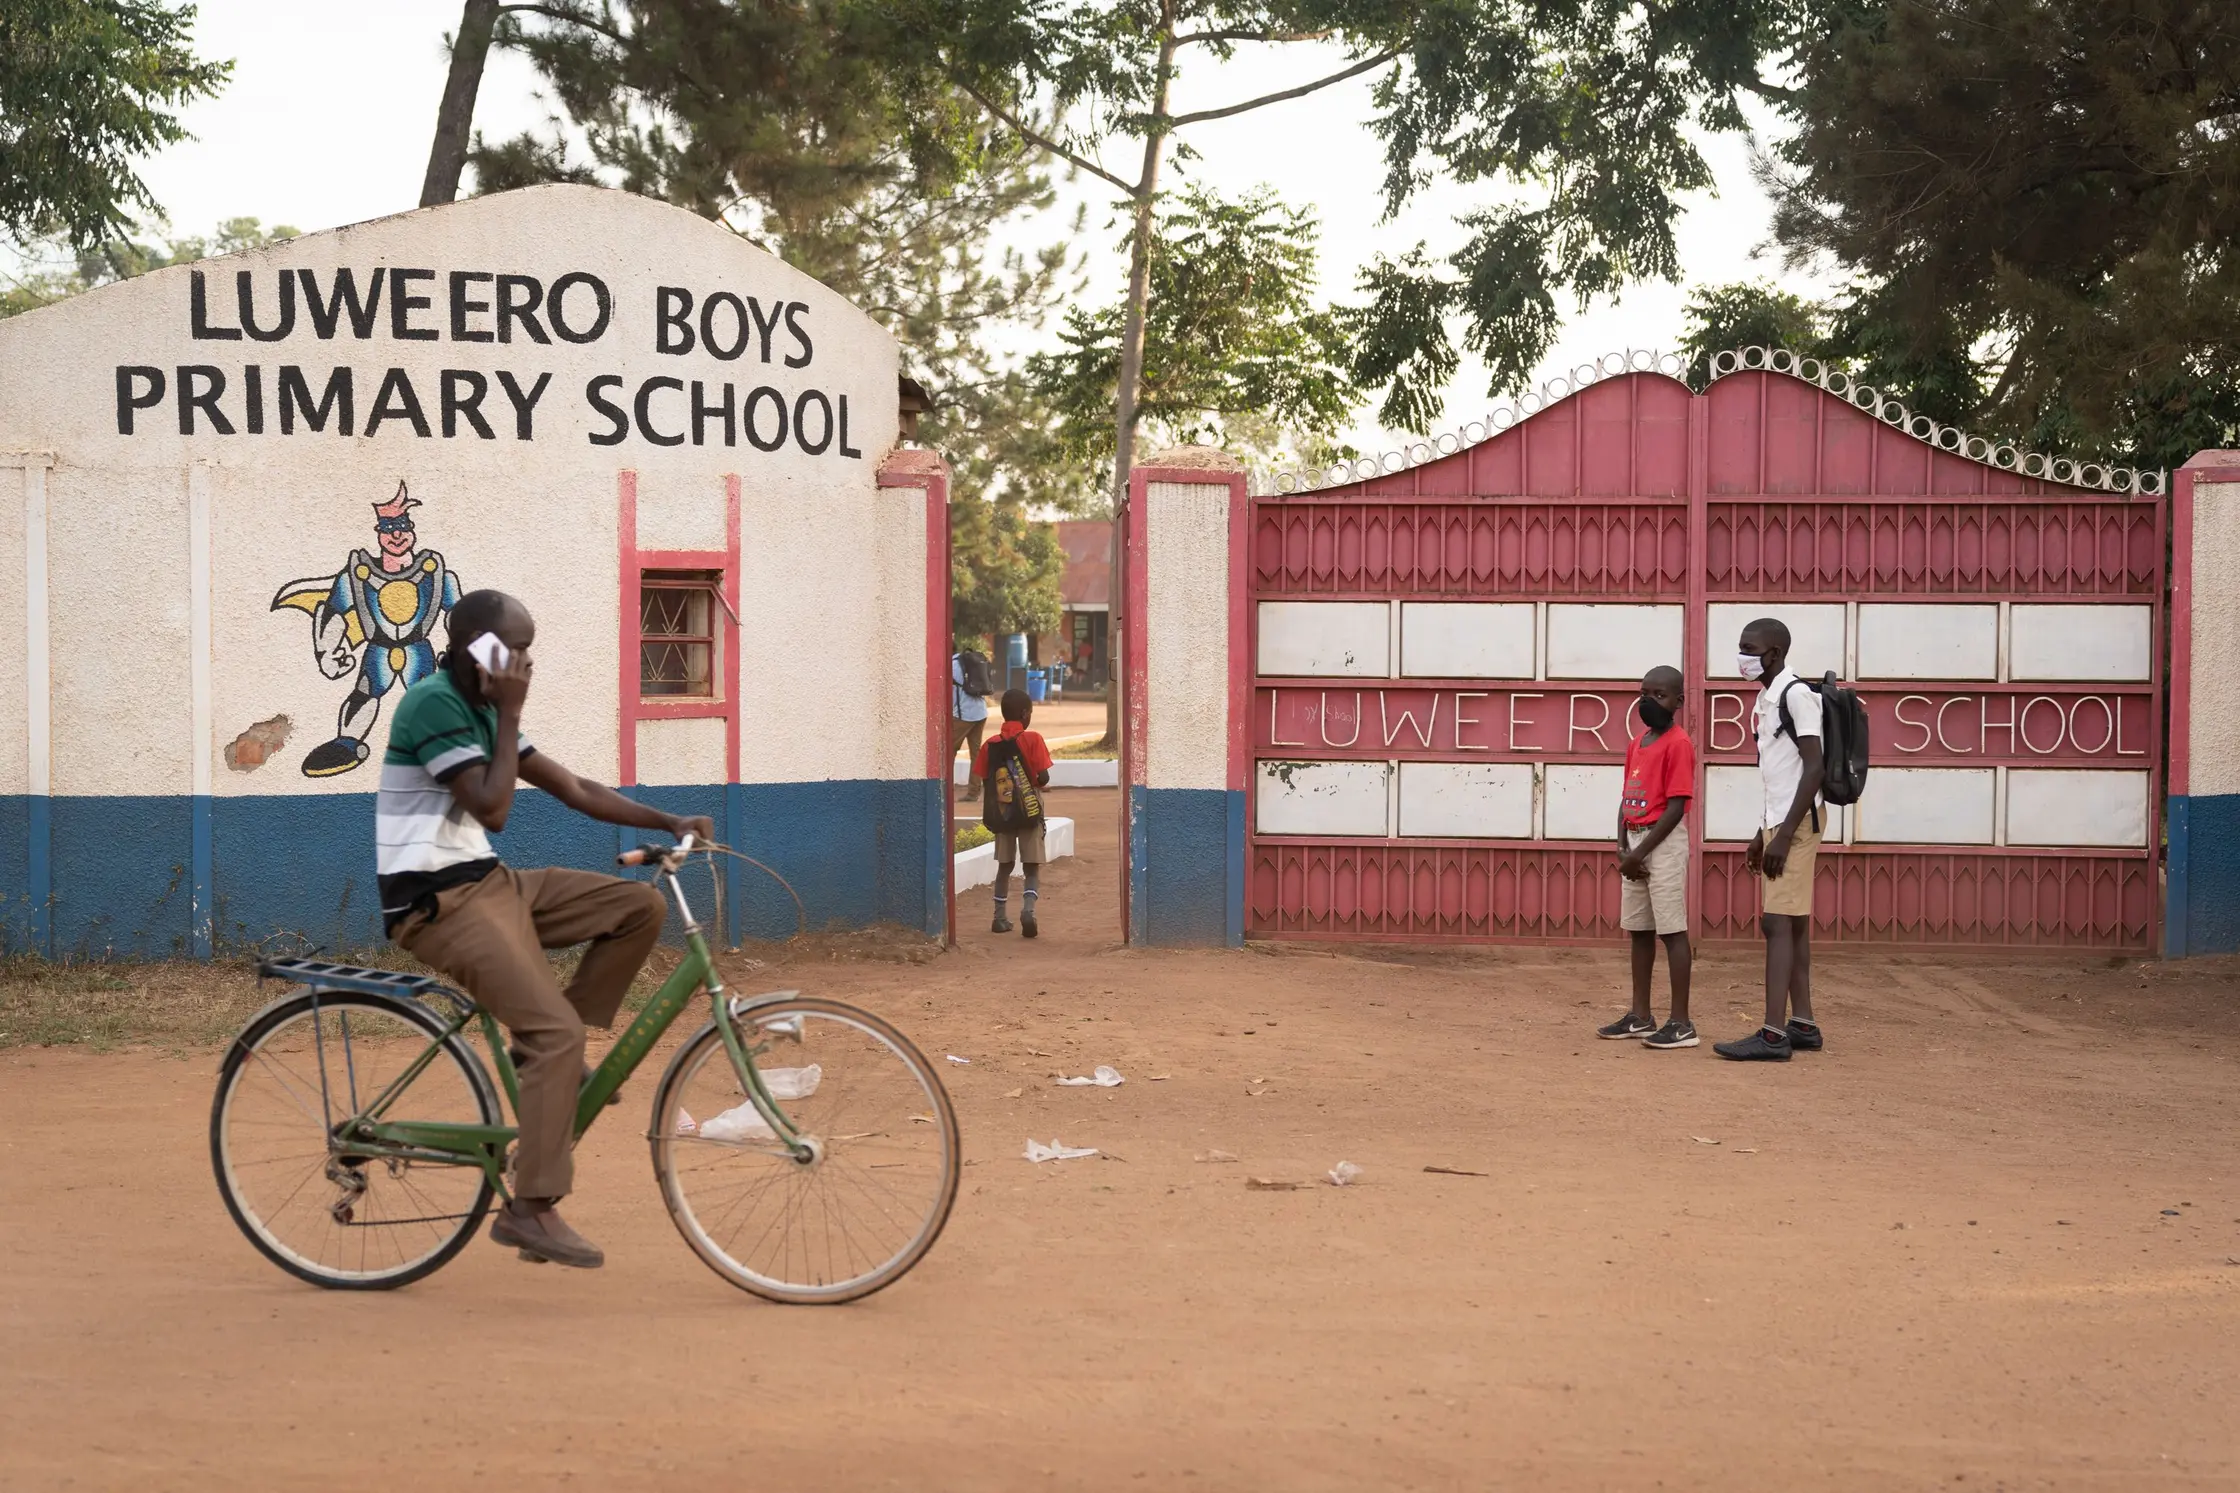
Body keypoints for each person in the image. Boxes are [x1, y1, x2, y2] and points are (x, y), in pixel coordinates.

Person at [379, 588, 713, 1267]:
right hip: (435, 901)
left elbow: (576, 789)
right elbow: (493, 806)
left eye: (529, 649)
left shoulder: (480, 707)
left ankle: (545, 1057)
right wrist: (509, 713)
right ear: (478, 647)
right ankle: (530, 1208)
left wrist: (668, 819)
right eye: (513, 649)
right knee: (554, 1031)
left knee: (637, 908)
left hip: (487, 882)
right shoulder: (435, 703)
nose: (525, 663)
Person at [1716, 617, 1826, 1062]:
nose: (1742, 656)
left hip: (1797, 825)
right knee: (1793, 923)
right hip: (1780, 822)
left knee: (1775, 923)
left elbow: (1813, 768)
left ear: (1775, 653)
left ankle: (1773, 1035)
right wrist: (1761, 833)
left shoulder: (1797, 695)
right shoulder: (1766, 698)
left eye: (1750, 648)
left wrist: (1781, 837)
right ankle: (1802, 1024)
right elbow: (1778, 776)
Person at [1597, 665, 1697, 1049]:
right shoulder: (1637, 744)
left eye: (1660, 695)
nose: (1649, 701)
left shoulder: (1679, 744)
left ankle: (1681, 1022)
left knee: (1672, 931)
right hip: (1635, 847)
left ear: (1678, 702)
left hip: (1662, 844)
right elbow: (1626, 800)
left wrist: (1639, 852)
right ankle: (1640, 1015)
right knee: (1640, 930)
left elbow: (1675, 808)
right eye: (1644, 693)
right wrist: (1623, 847)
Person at [972, 688, 1053, 937]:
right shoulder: (1034, 739)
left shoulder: (989, 745)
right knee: (1031, 866)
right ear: (1025, 714)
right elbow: (1043, 777)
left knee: (1004, 866)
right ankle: (1028, 910)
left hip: (1002, 810)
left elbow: (984, 775)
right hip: (1029, 811)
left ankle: (999, 918)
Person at [951, 648, 990, 801]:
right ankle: (974, 792)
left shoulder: (951, 665)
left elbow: (951, 693)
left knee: (948, 753)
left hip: (964, 715)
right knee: (976, 754)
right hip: (981, 712)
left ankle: (943, 790)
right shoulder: (971, 661)